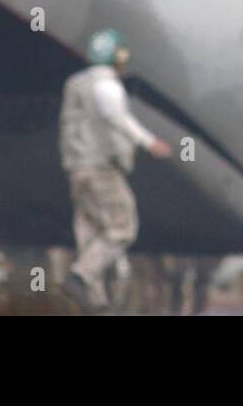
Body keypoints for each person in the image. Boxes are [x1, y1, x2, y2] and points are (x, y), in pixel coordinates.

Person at [58, 29, 171, 311]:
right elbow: (115, 117)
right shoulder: (107, 86)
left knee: (89, 230)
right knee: (122, 227)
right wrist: (148, 142)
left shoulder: (75, 84)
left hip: (76, 169)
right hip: (101, 169)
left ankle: (94, 302)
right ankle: (80, 275)